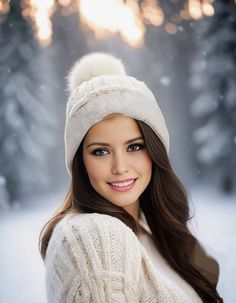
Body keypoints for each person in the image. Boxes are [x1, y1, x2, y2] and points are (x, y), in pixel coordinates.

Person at [39, 52, 223, 303]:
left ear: (155, 149)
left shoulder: (149, 229)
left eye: (134, 146)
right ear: (80, 160)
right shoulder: (92, 235)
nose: (120, 167)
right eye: (101, 151)